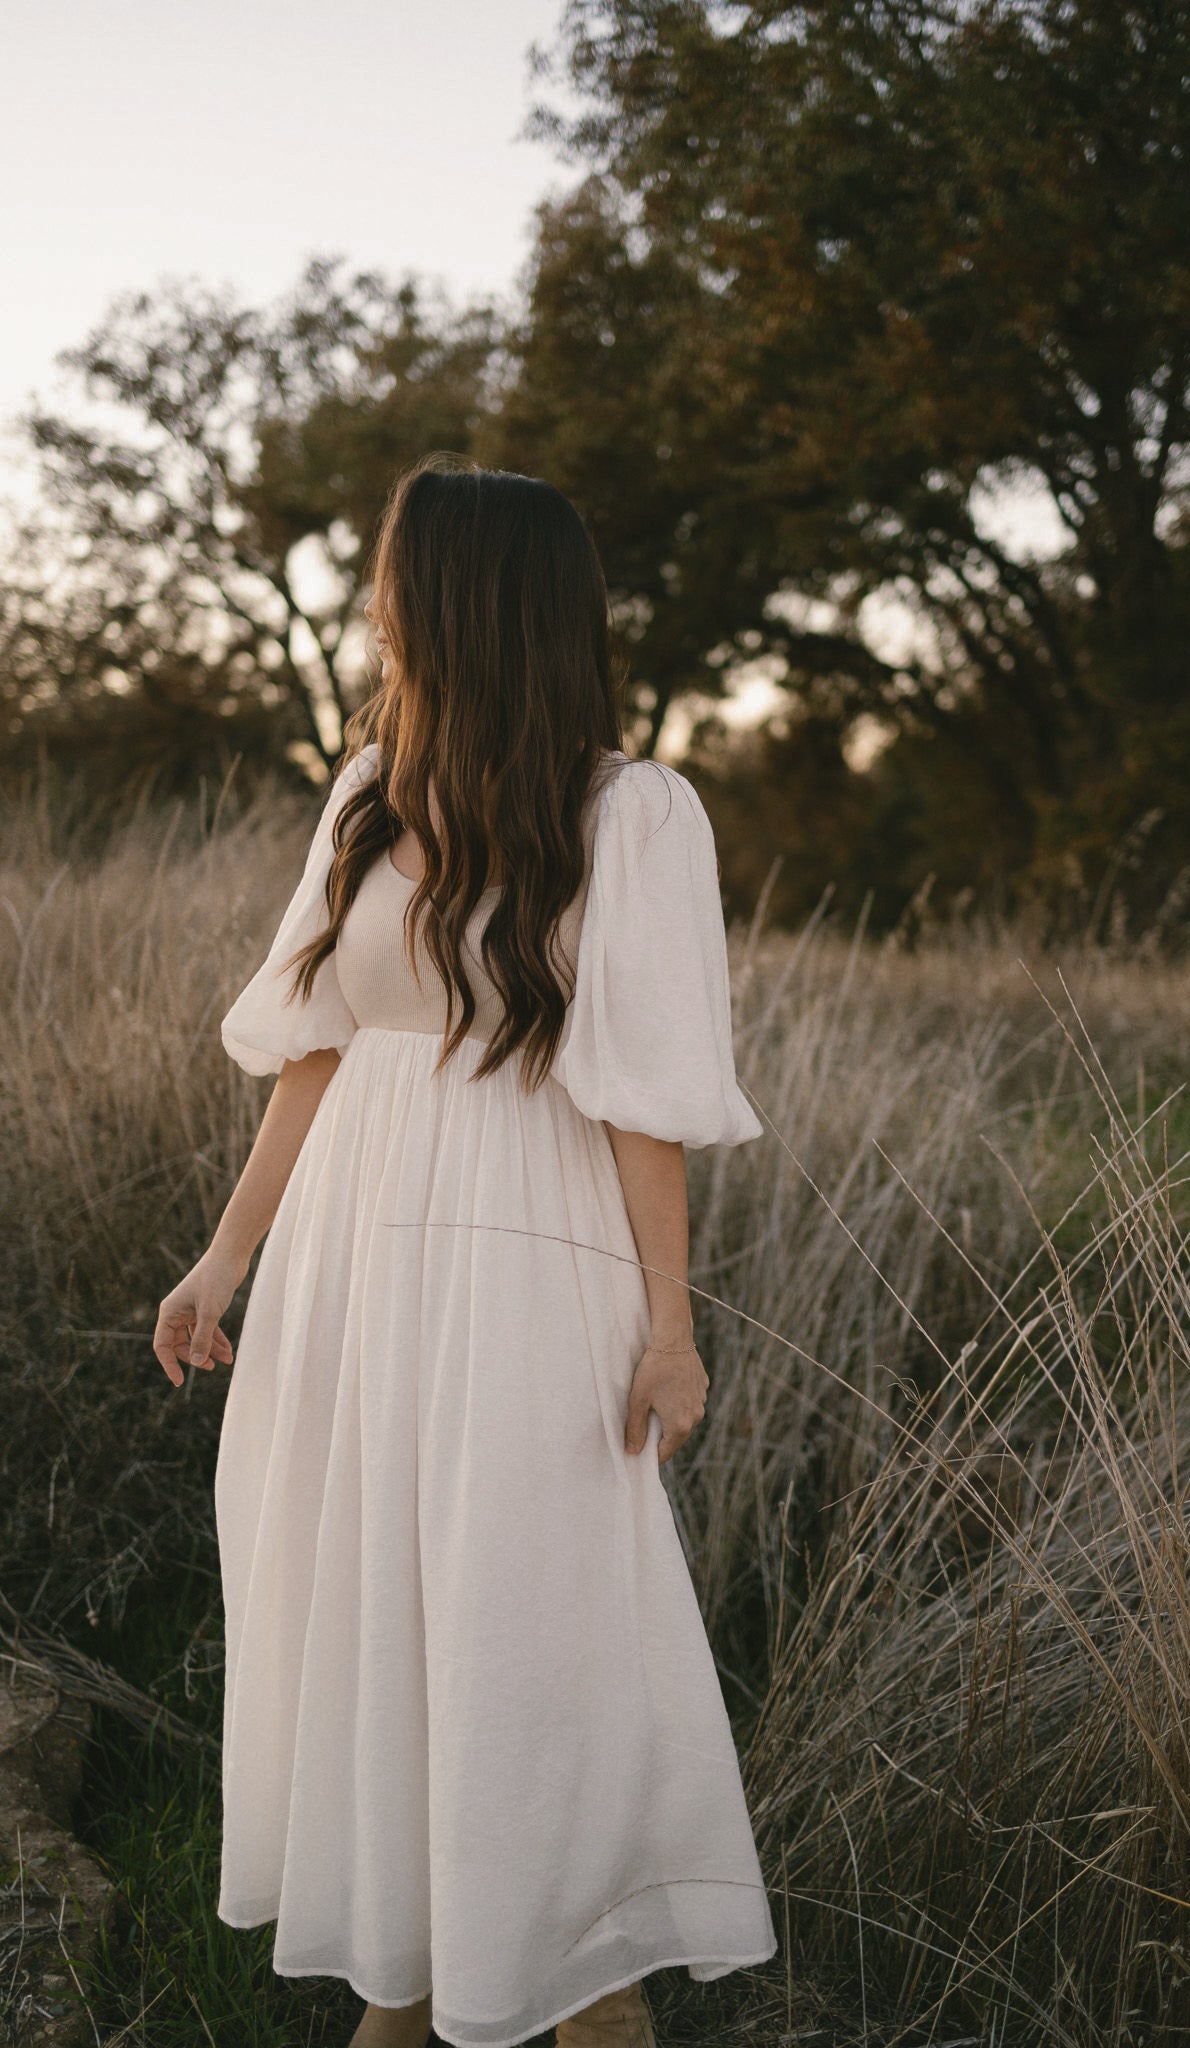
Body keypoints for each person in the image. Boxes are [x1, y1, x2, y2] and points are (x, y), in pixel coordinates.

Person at [151, 454, 778, 2048]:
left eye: (393, 584)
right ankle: (408, 1986)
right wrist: (225, 1259)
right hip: (353, 1259)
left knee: (525, 1618)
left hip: (524, 1259)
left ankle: (582, 1986)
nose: (375, 611)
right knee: (368, 1595)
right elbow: (317, 1046)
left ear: (459, 606)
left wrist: (667, 1325)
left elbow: (643, 1098)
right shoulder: (365, 795)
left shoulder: (632, 814)